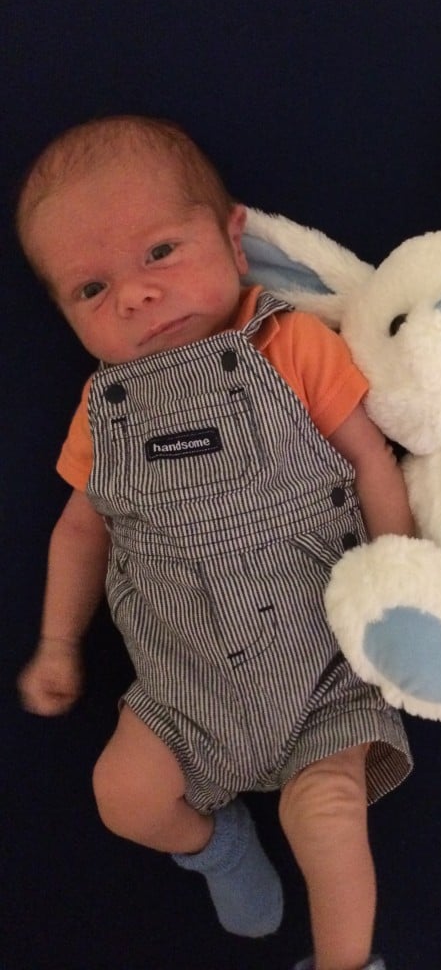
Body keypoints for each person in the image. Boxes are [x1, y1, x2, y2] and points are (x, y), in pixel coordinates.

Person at [16, 115, 414, 970]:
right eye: (91, 289)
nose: (133, 294)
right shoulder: (102, 411)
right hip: (183, 689)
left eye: (160, 252)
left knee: (331, 818)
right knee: (121, 798)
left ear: (235, 239)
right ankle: (216, 846)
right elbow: (80, 528)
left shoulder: (288, 344)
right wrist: (56, 643)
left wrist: (408, 587)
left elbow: (374, 464)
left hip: (322, 672)